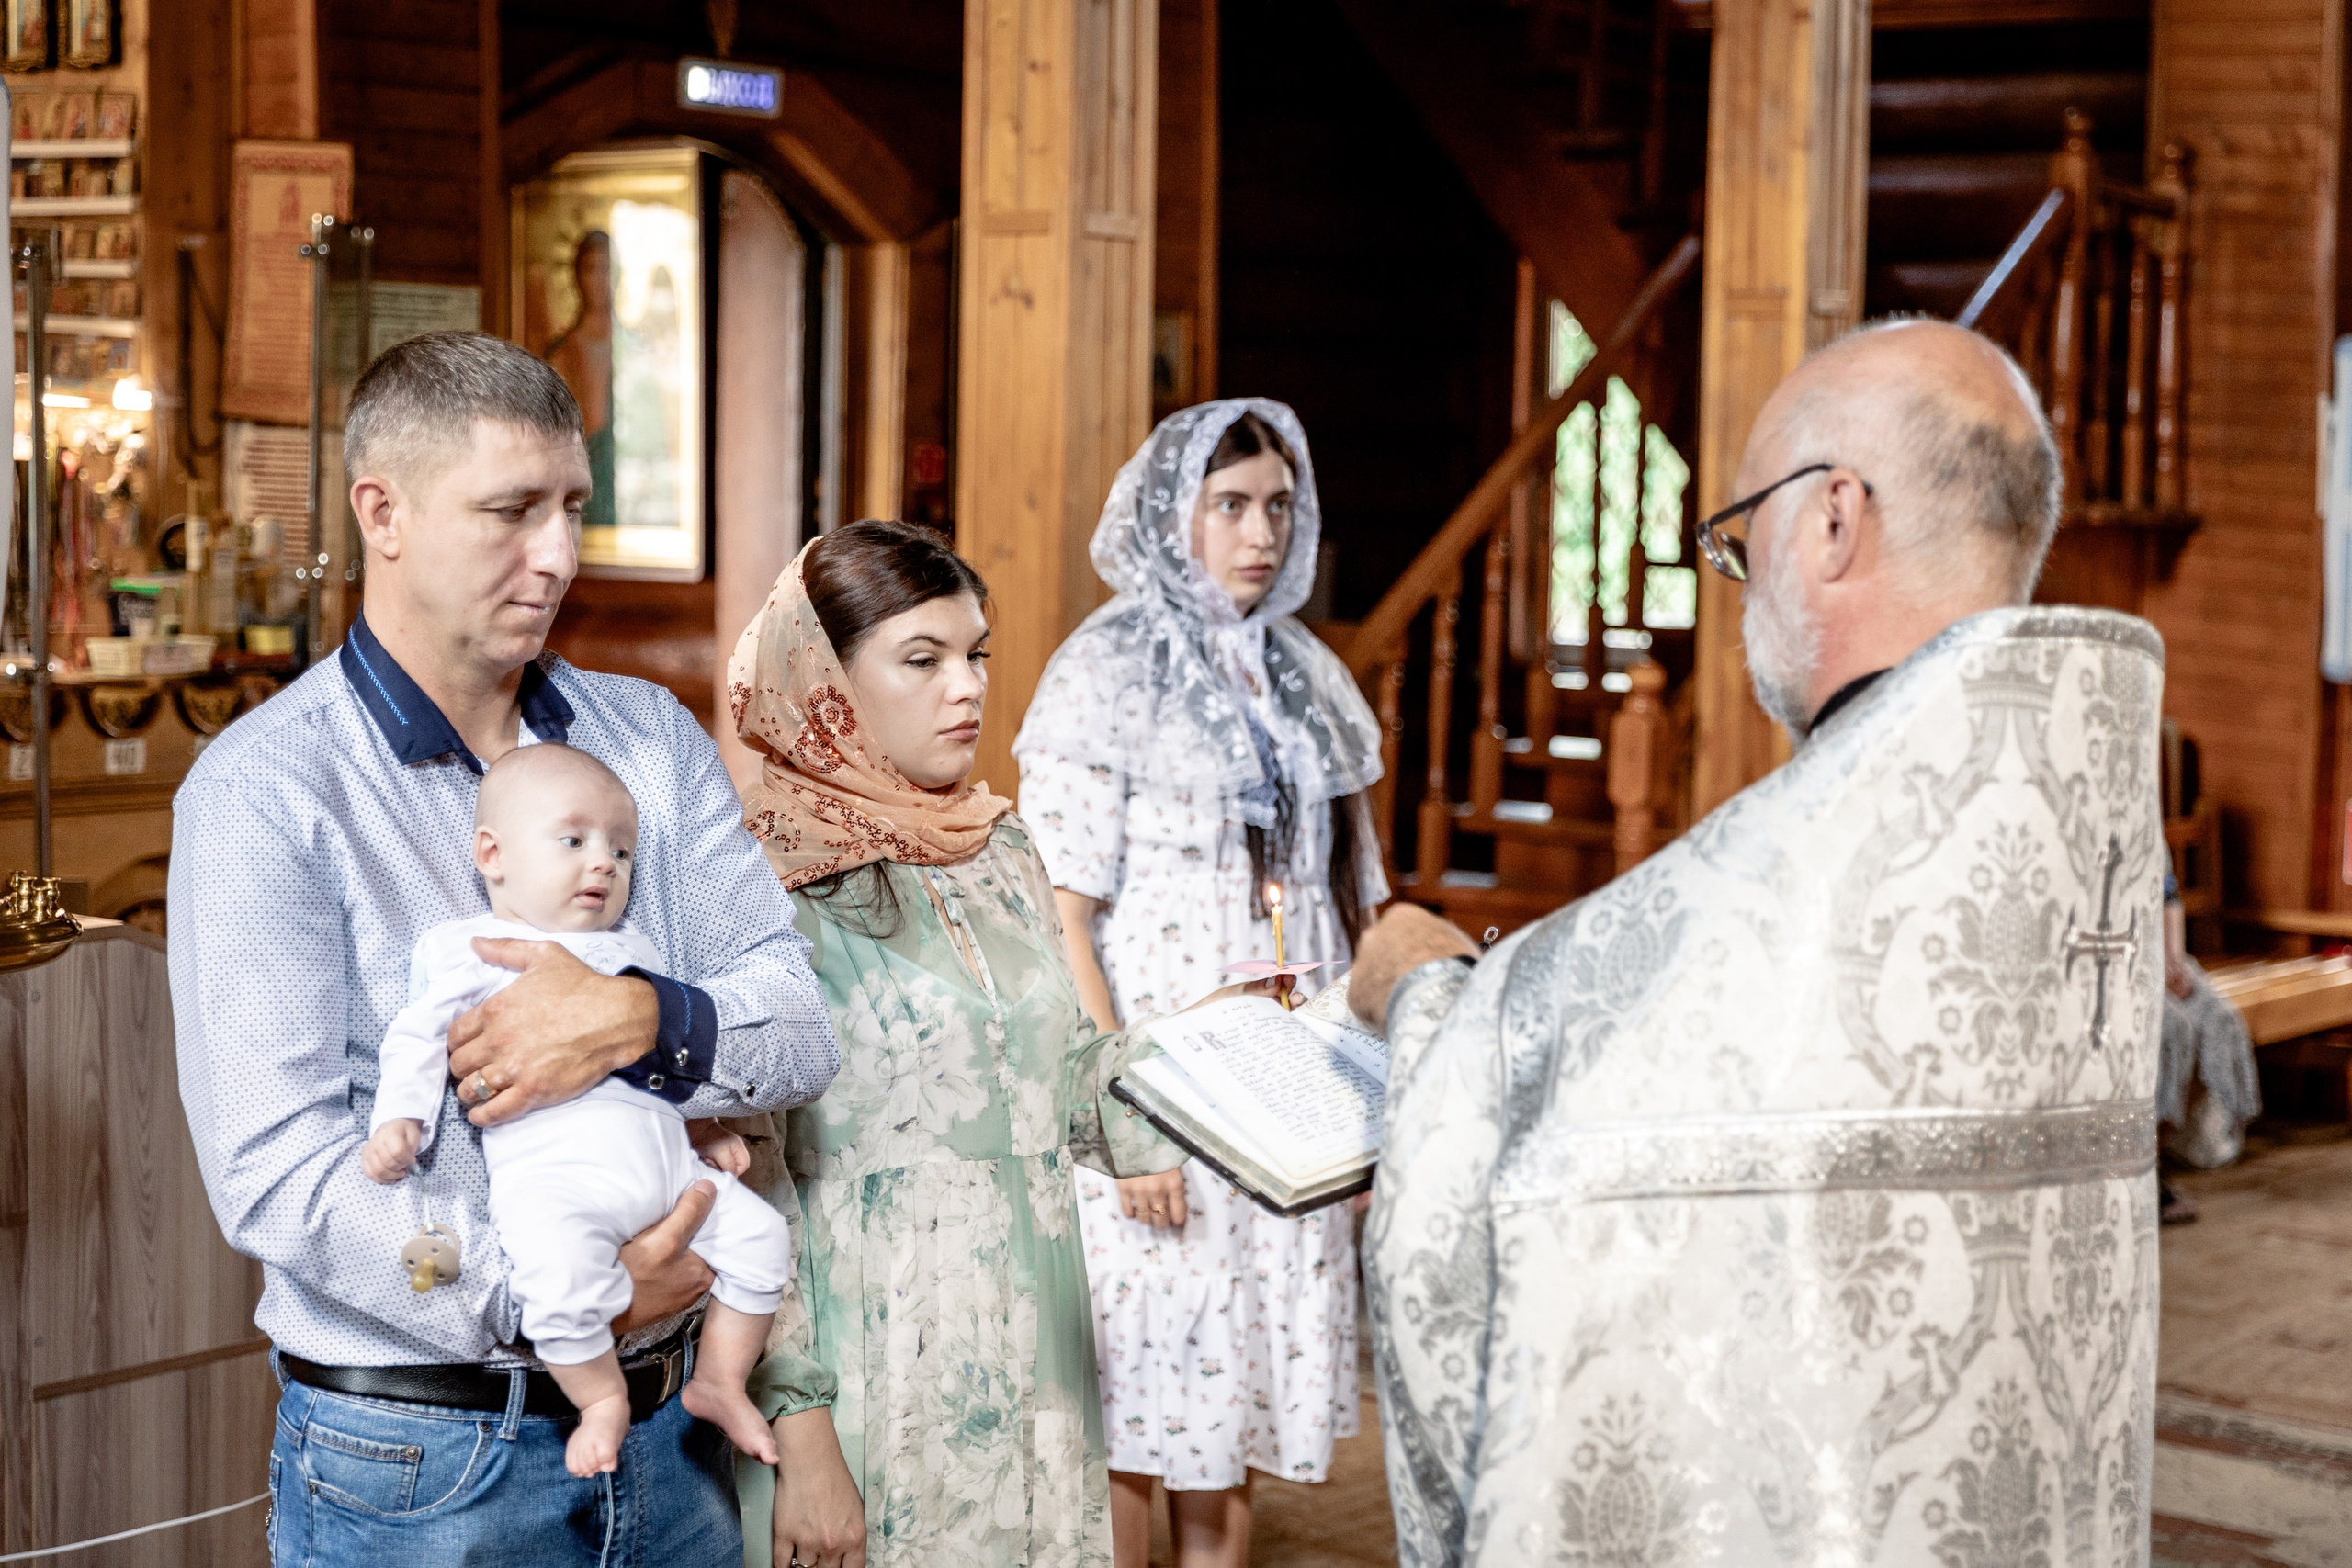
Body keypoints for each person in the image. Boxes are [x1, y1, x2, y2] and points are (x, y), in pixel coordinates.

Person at [1351, 320, 2165, 1566]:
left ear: (1835, 516)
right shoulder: (2082, 825)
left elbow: (1506, 1114)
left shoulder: (1805, 866)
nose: (1741, 584)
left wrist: (1425, 994)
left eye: (1738, 537)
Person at [169, 331, 841, 1566]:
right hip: (427, 1464)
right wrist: (542, 1294)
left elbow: (796, 1025)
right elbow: (279, 1170)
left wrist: (640, 1019)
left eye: (574, 507)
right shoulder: (264, 789)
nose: (559, 555)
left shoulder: (647, 738)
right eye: (511, 511)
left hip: (676, 1440)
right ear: (385, 513)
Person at [728, 519, 1262, 1568]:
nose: (965, 687)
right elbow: (747, 1175)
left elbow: (1066, 1090)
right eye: (921, 661)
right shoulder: (752, 873)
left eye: (975, 655)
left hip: (1034, 1358)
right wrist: (802, 1431)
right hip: (868, 1364)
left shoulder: (999, 844)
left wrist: (1224, 1046)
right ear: (823, 679)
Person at [1012, 400, 1385, 1568]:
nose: (1258, 531)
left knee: (1236, 1392)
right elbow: (1058, 917)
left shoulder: (1305, 674)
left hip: (1287, 1063)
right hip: (1163, 1073)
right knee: (1143, 1395)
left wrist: (1361, 1105)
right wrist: (1127, 1114)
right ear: (1170, 518)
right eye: (1228, 506)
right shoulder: (1103, 669)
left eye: (1277, 505)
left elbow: (1354, 901)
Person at [361, 743, 790, 1478]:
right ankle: (600, 1400)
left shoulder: (632, 948)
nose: (604, 864)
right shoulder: (471, 950)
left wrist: (705, 1123)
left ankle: (720, 1377)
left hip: (670, 1175)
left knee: (763, 1239)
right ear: (492, 854)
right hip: (558, 1187)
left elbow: (657, 1059)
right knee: (557, 1287)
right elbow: (418, 1036)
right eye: (575, 841)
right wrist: (400, 1118)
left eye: (621, 851)